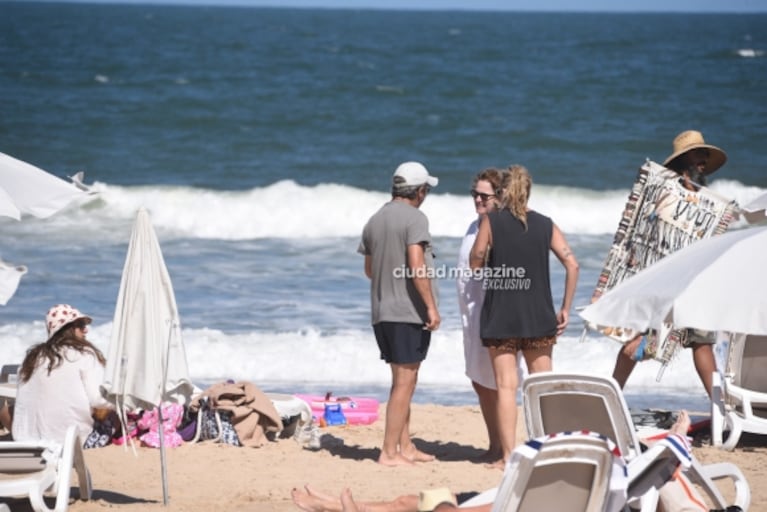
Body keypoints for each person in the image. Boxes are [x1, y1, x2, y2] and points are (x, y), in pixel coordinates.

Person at [290, 412, 699, 512]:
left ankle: (345, 508)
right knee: (412, 500)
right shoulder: (620, 471)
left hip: (526, 502)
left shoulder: (642, 473)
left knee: (438, 505)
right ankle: (347, 507)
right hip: (529, 499)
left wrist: (676, 436)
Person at [469, 164, 579, 465]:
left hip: (501, 317)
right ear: (528, 191)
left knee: (507, 386)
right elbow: (573, 264)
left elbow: (475, 263)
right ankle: (550, 450)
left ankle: (507, 456)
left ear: (503, 192)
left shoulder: (491, 221)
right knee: (543, 386)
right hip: (538, 317)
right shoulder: (546, 224)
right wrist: (566, 307)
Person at [612, 130, 726, 398]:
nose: (704, 160)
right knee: (637, 344)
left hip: (696, 281)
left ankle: (722, 410)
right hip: (663, 281)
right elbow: (642, 230)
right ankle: (613, 394)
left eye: (706, 155)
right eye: (700, 154)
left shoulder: (708, 200)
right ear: (684, 159)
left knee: (702, 344)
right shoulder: (663, 193)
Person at [358, 161, 441, 467]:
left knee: (404, 380)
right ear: (419, 191)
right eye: (426, 189)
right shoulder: (415, 219)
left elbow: (369, 270)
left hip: (381, 311)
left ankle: (405, 446)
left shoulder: (374, 220)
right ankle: (389, 452)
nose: (426, 194)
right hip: (407, 312)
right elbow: (417, 264)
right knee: (403, 384)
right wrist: (431, 306)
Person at [456, 167, 526, 462]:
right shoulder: (475, 226)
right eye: (474, 194)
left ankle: (504, 449)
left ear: (499, 197)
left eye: (484, 196)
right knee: (479, 381)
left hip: (493, 315)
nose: (477, 200)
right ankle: (495, 444)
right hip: (471, 316)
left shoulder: (498, 228)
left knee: (500, 383)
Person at [12, 304, 114, 446]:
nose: (86, 329)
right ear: (66, 329)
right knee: (114, 417)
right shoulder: (84, 354)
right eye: (80, 325)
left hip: (26, 442)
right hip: (70, 442)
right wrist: (123, 402)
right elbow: (98, 399)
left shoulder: (31, 359)